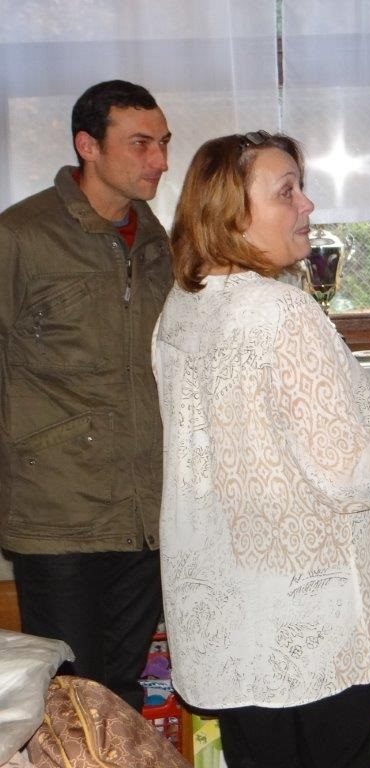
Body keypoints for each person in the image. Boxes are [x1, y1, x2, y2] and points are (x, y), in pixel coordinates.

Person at [152, 131, 370, 768]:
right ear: (230, 212)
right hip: (311, 627)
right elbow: (352, 472)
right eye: (286, 192)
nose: (307, 205)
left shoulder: (183, 306)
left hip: (229, 616)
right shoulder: (283, 313)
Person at [0, 80, 172, 710]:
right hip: (58, 514)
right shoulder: (21, 235)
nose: (159, 160)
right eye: (140, 143)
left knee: (123, 694)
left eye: (163, 143)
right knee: (70, 697)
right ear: (87, 146)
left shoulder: (156, 240)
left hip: (144, 513)